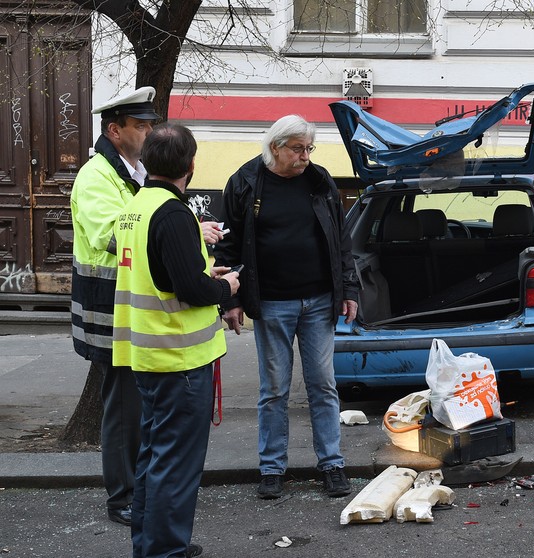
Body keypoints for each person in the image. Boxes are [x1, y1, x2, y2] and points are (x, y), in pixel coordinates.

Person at [70, 87, 226, 527]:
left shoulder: (133, 172)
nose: (147, 132)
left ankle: (143, 494)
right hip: (111, 309)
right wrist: (184, 231)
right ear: (114, 131)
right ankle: (123, 497)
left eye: (149, 125)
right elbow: (115, 235)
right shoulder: (96, 175)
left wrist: (188, 229)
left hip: (134, 307)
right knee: (123, 409)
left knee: (140, 411)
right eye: (140, 126)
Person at [213, 114, 359, 500]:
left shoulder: (320, 180)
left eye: (309, 148)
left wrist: (349, 289)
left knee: (323, 385)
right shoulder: (245, 181)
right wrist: (230, 300)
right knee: (274, 389)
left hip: (319, 301)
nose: (305, 156)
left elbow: (341, 241)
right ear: (275, 146)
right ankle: (272, 468)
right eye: (298, 149)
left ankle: (332, 464)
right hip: (272, 302)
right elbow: (227, 246)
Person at [112, 122, 240, 558]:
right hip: (180, 360)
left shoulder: (135, 207)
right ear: (190, 164)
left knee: (153, 459)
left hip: (149, 356)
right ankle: (165, 550)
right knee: (176, 466)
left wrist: (205, 274)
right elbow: (191, 290)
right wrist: (227, 288)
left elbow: (161, 274)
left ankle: (151, 545)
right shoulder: (174, 213)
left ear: (146, 161)